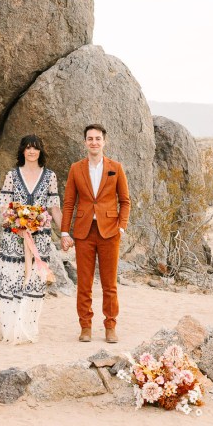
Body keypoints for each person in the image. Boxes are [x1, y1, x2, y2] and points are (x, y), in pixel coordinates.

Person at [0, 134, 62, 345]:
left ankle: (26, 327)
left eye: (35, 148)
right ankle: (9, 329)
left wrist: (65, 232)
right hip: (14, 236)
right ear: (22, 151)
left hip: (40, 238)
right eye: (27, 147)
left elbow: (54, 207)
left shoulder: (50, 176)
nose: (31, 151)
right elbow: (4, 204)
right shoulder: (12, 175)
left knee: (33, 281)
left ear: (40, 151)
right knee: (13, 281)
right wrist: (16, 223)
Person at [61, 124, 130, 344]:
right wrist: (64, 231)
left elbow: (125, 201)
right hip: (83, 232)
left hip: (110, 232)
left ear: (104, 142)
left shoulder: (115, 167)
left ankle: (110, 326)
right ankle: (86, 327)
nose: (94, 142)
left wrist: (121, 227)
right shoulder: (76, 168)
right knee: (84, 283)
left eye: (97, 138)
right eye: (90, 139)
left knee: (110, 283)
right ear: (85, 142)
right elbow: (70, 202)